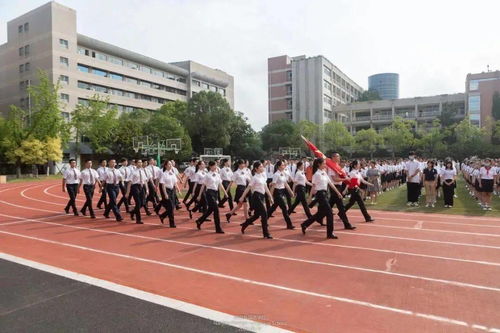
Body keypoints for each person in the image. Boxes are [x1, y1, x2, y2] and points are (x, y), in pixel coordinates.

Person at [300, 158, 343, 239]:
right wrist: (309, 197)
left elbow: (330, 184)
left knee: (321, 214)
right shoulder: (316, 174)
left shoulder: (324, 173)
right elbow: (313, 187)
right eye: (324, 163)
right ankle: (330, 233)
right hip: (320, 195)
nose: (325, 165)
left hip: (325, 194)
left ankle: (304, 224)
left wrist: (338, 193)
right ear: (319, 164)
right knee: (330, 213)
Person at [239, 161, 274, 239]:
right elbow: (248, 188)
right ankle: (266, 233)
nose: (262, 167)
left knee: (256, 215)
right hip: (256, 197)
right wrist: (242, 197)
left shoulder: (262, 176)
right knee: (264, 213)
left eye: (262, 166)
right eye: (261, 166)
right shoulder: (254, 178)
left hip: (262, 196)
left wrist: (270, 197)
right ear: (256, 168)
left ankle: (245, 224)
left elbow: (266, 187)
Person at [195, 161, 228, 233]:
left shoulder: (217, 174)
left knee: (210, 210)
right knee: (216, 210)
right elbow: (203, 185)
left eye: (216, 165)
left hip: (215, 193)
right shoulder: (207, 175)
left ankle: (199, 221)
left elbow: (220, 184)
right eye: (214, 166)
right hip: (209, 193)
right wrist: (199, 195)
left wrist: (225, 193)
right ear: (210, 166)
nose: (216, 167)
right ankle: (218, 228)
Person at [267, 160, 295, 230]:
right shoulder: (276, 175)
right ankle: (289, 224)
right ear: (279, 166)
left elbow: (285, 184)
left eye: (284, 165)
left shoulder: (283, 173)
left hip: (282, 191)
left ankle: (264, 219)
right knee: (284, 207)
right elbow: (273, 186)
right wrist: (270, 196)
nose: (284, 166)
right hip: (277, 192)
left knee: (273, 207)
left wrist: (291, 191)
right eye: (282, 165)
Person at [157, 160, 180, 227]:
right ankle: (172, 223)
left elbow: (175, 183)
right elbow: (163, 185)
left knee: (172, 207)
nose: (170, 165)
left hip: (172, 190)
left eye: (171, 164)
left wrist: (178, 189)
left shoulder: (172, 173)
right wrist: (165, 194)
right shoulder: (164, 174)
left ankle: (162, 216)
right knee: (170, 206)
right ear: (166, 166)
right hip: (167, 190)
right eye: (169, 164)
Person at [126, 159, 149, 224]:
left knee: (143, 203)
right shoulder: (133, 172)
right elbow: (130, 182)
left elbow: (145, 181)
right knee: (138, 203)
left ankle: (133, 212)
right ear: (135, 164)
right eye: (139, 162)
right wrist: (127, 192)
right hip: (135, 187)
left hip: (142, 187)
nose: (140, 163)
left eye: (141, 162)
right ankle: (138, 219)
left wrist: (147, 189)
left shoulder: (143, 171)